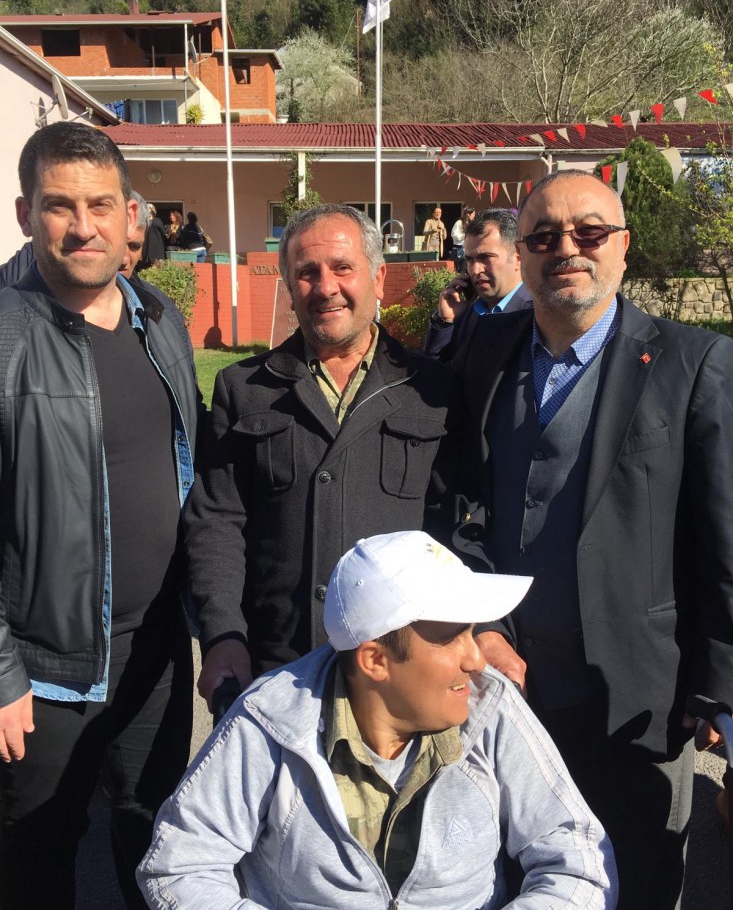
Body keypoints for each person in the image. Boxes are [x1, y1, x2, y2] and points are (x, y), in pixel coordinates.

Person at [451, 168, 733, 910]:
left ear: (622, 246)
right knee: (515, 879)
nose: (566, 248)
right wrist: (481, 623)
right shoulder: (484, 350)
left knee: (636, 880)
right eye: (544, 236)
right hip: (506, 689)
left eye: (589, 232)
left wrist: (720, 683)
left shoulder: (693, 362)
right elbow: (461, 499)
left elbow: (724, 539)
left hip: (637, 695)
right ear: (522, 252)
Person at [137, 531, 617, 910]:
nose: (476, 659)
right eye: (451, 637)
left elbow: (578, 858)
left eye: (473, 632)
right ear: (374, 660)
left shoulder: (491, 705)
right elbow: (181, 866)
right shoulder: (269, 721)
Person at [0, 122, 202, 910]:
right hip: (43, 667)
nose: (82, 226)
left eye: (100, 204)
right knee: (37, 852)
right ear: (26, 213)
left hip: (155, 649)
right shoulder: (6, 334)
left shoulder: (160, 319)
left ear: (130, 214)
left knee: (158, 837)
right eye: (59, 205)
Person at [184, 203, 461, 710]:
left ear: (378, 278)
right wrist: (223, 633)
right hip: (277, 668)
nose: (326, 286)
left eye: (343, 267)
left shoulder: (432, 390)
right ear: (290, 289)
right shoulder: (244, 388)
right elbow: (217, 521)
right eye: (307, 272)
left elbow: (456, 525)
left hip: (400, 672)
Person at [423, 208, 532, 361]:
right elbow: (437, 371)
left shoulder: (536, 316)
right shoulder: (470, 313)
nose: (475, 270)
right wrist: (445, 322)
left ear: (518, 257)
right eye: (470, 260)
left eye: (486, 258)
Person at [450, 203, 475, 267]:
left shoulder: (471, 224)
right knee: (460, 269)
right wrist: (464, 235)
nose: (474, 216)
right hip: (459, 249)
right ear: (468, 215)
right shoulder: (459, 222)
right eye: (473, 214)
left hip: (468, 250)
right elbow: (454, 234)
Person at [141, 203, 166, 267]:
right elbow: (164, 233)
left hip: (146, 251)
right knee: (158, 268)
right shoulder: (157, 221)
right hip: (157, 249)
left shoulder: (143, 222)